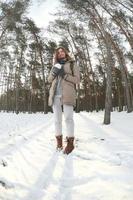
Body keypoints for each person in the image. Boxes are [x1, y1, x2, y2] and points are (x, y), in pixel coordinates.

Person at [48, 46, 80, 154]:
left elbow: (77, 79)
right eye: (58, 52)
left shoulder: (72, 64)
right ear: (56, 55)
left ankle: (70, 144)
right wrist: (54, 72)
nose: (60, 53)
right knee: (57, 120)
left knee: (68, 119)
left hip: (67, 94)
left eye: (62, 51)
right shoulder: (55, 65)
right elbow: (49, 79)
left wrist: (65, 76)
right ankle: (59, 143)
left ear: (66, 53)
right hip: (55, 95)